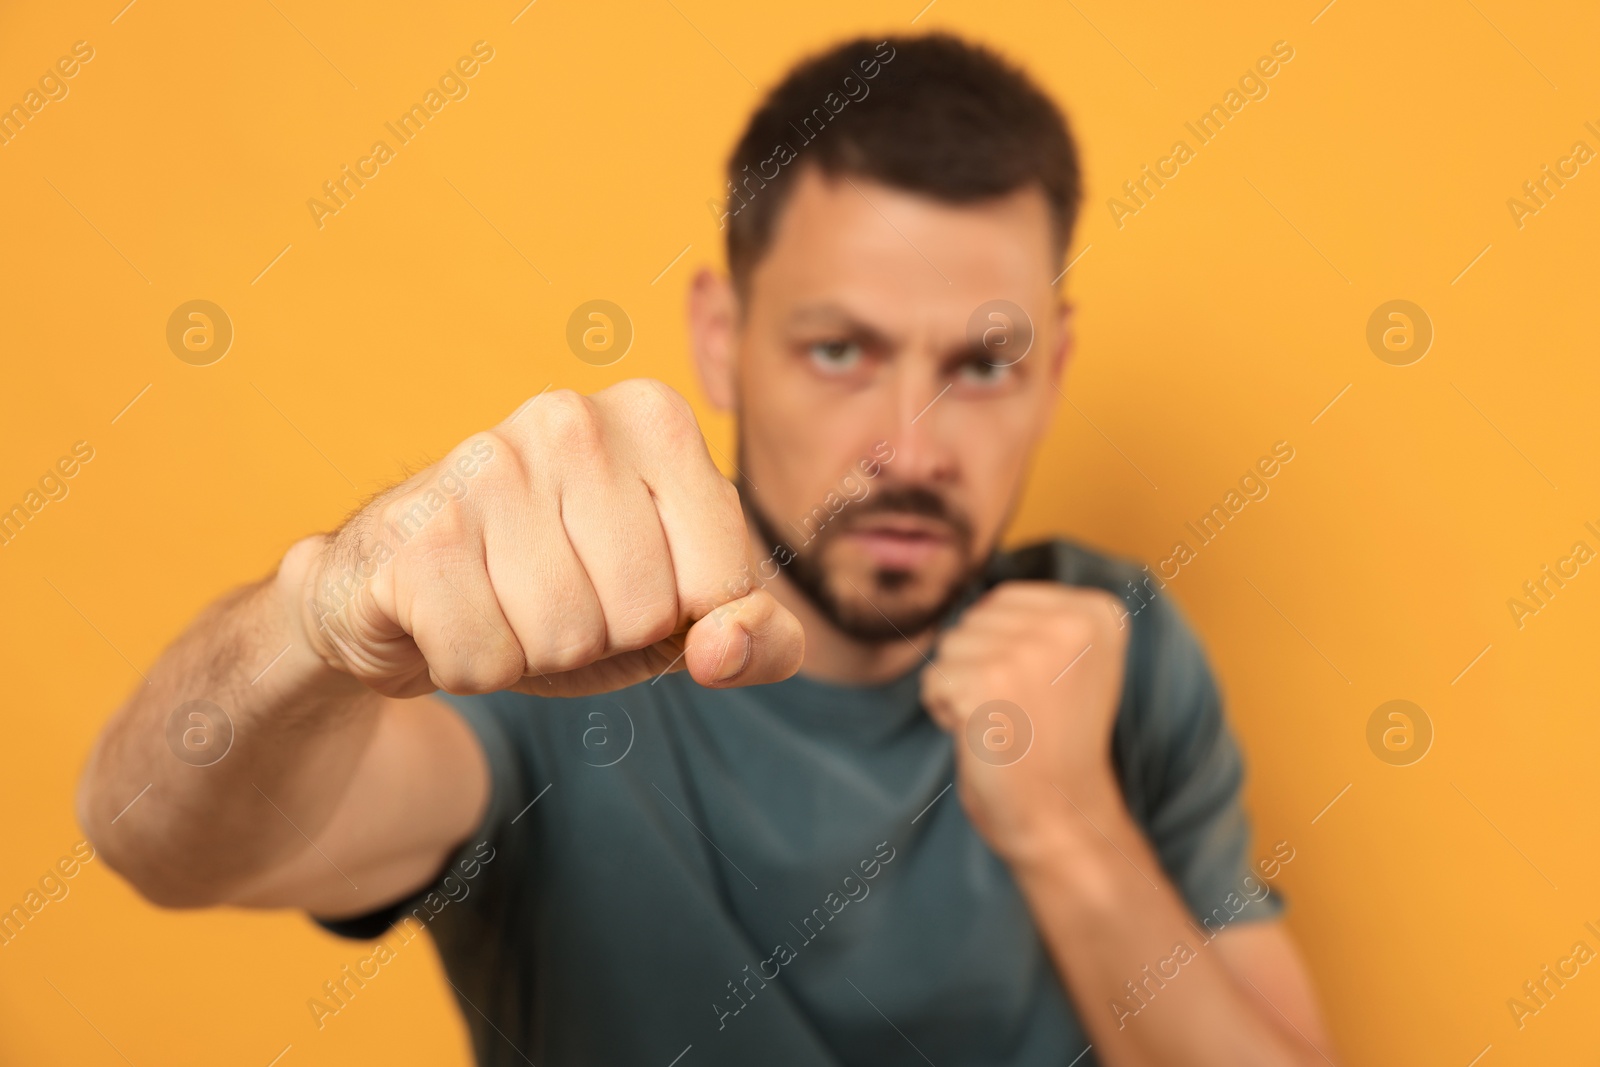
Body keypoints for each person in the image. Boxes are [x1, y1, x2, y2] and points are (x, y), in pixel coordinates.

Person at [78, 33, 1337, 1067]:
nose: (910, 448)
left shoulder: (1108, 637)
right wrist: (320, 623)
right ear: (723, 337)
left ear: (1052, 368)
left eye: (982, 364)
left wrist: (1069, 828)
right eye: (839, 349)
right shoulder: (552, 630)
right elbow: (152, 836)